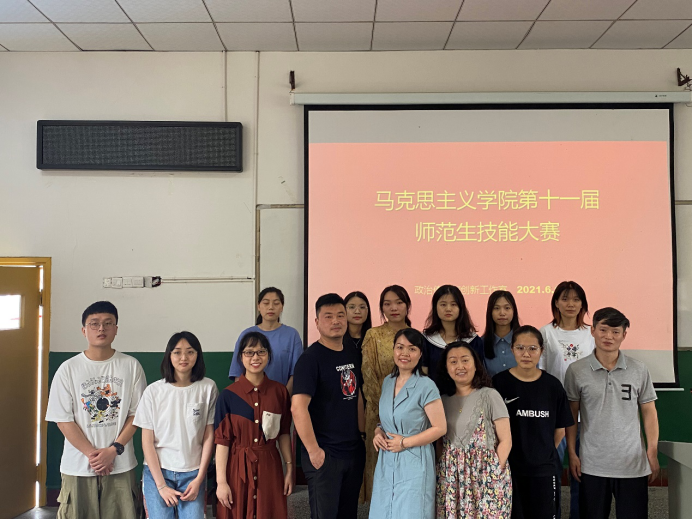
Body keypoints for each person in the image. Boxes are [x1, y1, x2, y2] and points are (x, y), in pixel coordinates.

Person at [46, 301, 146, 519]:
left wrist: (113, 451)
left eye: (108, 323)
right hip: (78, 466)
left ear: (116, 329)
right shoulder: (68, 369)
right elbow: (63, 419)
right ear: (84, 330)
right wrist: (93, 456)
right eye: (94, 324)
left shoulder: (131, 366)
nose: (101, 328)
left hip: (120, 465)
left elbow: (137, 415)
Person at [565, 307, 659, 519]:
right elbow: (571, 416)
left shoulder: (639, 369)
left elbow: (649, 412)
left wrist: (652, 451)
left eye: (615, 331)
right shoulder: (576, 371)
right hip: (592, 465)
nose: (609, 336)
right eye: (603, 330)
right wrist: (572, 453)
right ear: (593, 331)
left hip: (632, 464)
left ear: (624, 335)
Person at [292, 293, 366, 519]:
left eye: (340, 315)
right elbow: (298, 408)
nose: (336, 321)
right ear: (317, 322)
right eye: (328, 316)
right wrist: (314, 451)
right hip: (325, 454)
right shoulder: (310, 359)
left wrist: (362, 435)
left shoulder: (351, 351)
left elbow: (357, 395)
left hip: (353, 451)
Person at [492, 325, 574, 519]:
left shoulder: (553, 386)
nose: (526, 354)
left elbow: (560, 428)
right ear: (512, 349)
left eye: (532, 348)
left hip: (544, 470)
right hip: (509, 468)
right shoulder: (499, 383)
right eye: (520, 348)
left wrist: (543, 452)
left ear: (541, 351)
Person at [134, 331, 217, 519]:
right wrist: (161, 486)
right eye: (177, 352)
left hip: (193, 473)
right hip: (158, 473)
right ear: (169, 355)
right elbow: (147, 442)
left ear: (198, 355)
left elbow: (208, 436)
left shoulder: (208, 388)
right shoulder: (153, 391)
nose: (184, 357)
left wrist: (199, 479)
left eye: (190, 352)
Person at [215, 332, 293, 519]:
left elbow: (283, 433)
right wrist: (221, 482)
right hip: (237, 469)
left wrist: (289, 468)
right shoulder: (229, 395)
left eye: (261, 352)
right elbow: (222, 442)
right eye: (249, 352)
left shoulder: (279, 392)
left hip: (269, 467)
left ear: (268, 355)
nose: (255, 357)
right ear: (241, 357)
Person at [369, 328, 446, 519]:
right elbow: (388, 419)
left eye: (412, 349)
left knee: (410, 512)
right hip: (387, 460)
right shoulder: (388, 381)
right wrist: (378, 431)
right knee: (383, 511)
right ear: (393, 350)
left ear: (420, 354)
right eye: (400, 347)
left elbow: (440, 428)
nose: (405, 353)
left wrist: (404, 442)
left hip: (414, 460)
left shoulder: (426, 385)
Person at [435, 341, 512, 519]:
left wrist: (494, 471)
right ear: (446, 368)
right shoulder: (442, 400)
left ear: (476, 365)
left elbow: (506, 440)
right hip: (451, 479)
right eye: (453, 362)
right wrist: (444, 467)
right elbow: (439, 441)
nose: (460, 366)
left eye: (465, 360)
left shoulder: (490, 395)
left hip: (486, 476)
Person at [539, 281, 595, 518]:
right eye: (565, 298)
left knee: (582, 472)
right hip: (555, 416)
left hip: (587, 415)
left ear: (583, 304)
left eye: (576, 299)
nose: (570, 304)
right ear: (556, 303)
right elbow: (540, 374)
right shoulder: (545, 333)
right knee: (552, 470)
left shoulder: (592, 334)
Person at [361, 284, 412, 502]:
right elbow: (368, 376)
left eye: (399, 303)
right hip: (379, 411)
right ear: (381, 308)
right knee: (380, 467)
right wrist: (384, 411)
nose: (394, 308)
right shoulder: (373, 335)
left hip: (410, 413)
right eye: (387, 304)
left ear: (407, 306)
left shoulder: (415, 336)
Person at [229, 287, 303, 394]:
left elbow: (296, 373)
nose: (271, 307)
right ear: (259, 306)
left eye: (276, 303)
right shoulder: (247, 334)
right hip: (250, 397)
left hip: (281, 397)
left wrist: (283, 397)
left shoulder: (292, 335)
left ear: (282, 307)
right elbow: (238, 372)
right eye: (266, 303)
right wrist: (244, 398)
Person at [422, 285, 483, 382]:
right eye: (443, 304)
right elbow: (423, 376)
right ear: (435, 307)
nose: (448, 309)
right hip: (433, 391)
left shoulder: (474, 341)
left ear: (460, 308)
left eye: (453, 304)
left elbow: (479, 374)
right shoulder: (425, 340)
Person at [482, 290, 521, 377]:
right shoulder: (482, 343)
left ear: (514, 311)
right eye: (496, 308)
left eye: (507, 308)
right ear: (490, 312)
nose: (502, 313)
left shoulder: (524, 341)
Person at [344, 291, 373, 366]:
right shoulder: (337, 339)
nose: (357, 311)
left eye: (362, 307)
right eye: (352, 307)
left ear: (367, 310)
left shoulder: (373, 338)